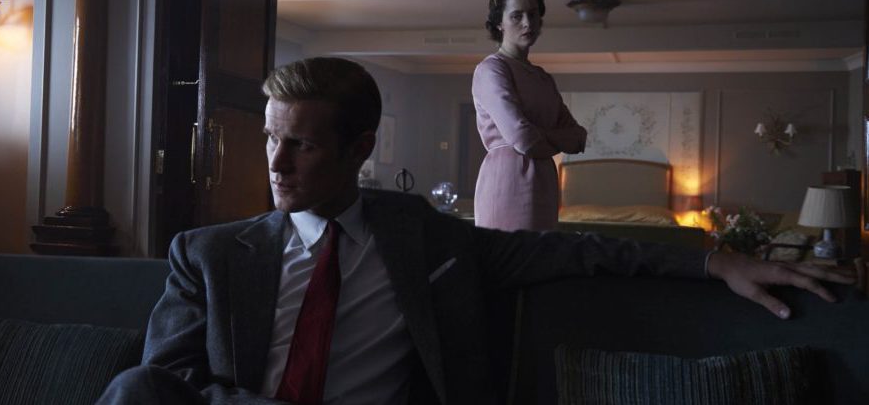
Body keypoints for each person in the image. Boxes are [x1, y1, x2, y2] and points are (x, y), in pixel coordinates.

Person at [98, 57, 852, 405]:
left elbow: (578, 247)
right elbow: (170, 382)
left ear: (360, 149)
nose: (275, 162)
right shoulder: (208, 253)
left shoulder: (426, 239)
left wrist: (716, 263)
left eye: (301, 144)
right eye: (270, 137)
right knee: (132, 388)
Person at [472, 0, 586, 232]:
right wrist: (553, 138)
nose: (527, 23)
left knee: (542, 253)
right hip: (508, 179)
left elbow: (578, 138)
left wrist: (540, 136)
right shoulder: (492, 69)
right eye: (517, 16)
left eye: (533, 15)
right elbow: (523, 139)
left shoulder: (543, 77)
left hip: (545, 181)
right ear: (499, 23)